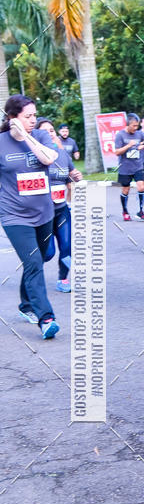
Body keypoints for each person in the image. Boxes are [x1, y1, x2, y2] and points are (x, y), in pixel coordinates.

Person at [0, 95, 60, 338]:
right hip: (14, 216)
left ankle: (26, 303)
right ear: (12, 118)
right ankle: (46, 318)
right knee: (34, 262)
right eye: (27, 116)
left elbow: (48, 159)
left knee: (43, 256)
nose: (33, 120)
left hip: (44, 212)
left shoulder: (41, 136)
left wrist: (25, 136)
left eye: (35, 115)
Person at [35, 118, 82, 292]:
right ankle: (33, 274)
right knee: (48, 254)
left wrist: (76, 176)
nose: (50, 134)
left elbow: (70, 177)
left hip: (62, 210)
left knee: (67, 246)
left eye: (52, 131)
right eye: (44, 131)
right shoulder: (33, 159)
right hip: (43, 214)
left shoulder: (63, 155)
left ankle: (63, 279)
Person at [114, 113, 144, 221]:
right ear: (127, 124)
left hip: (137, 166)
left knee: (141, 187)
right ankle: (125, 211)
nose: (136, 128)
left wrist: (143, 146)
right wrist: (128, 145)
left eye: (137, 125)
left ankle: (141, 211)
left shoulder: (139, 134)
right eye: (133, 126)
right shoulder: (120, 135)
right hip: (125, 168)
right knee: (125, 190)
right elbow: (117, 152)